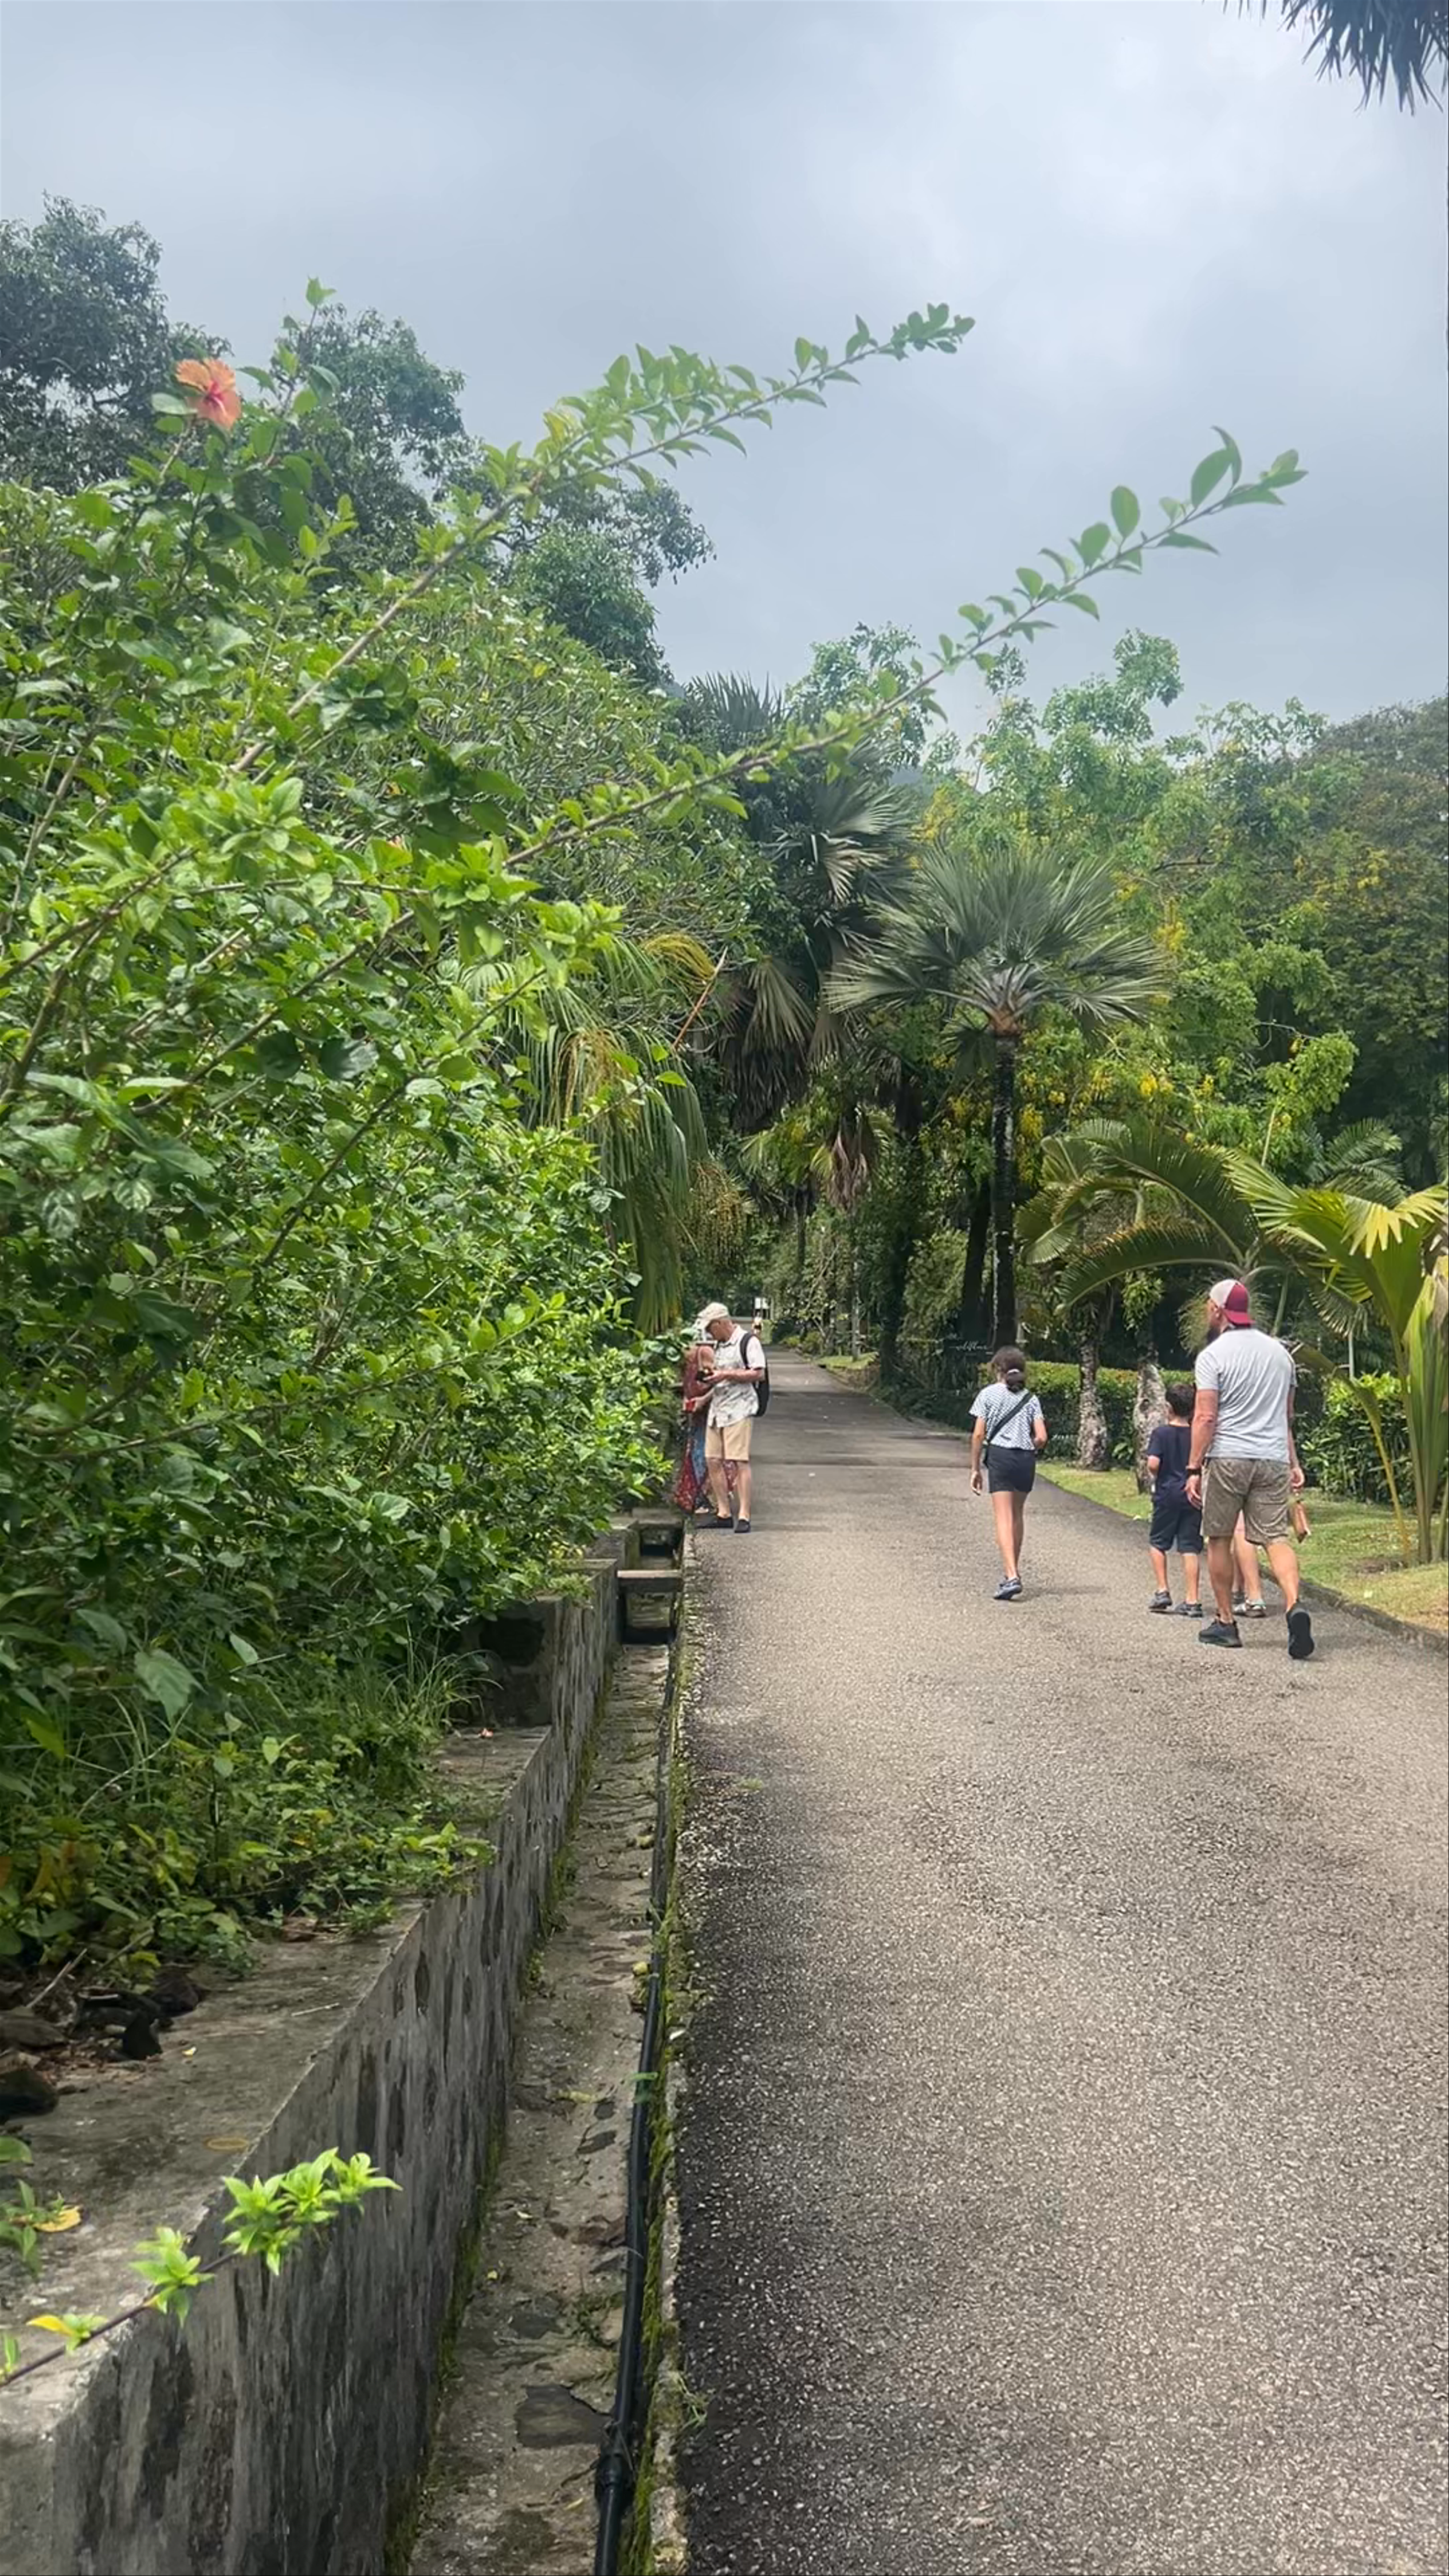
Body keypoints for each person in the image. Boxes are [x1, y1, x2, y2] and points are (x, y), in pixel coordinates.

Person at [1185, 1278, 1314, 1659]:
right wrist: (1294, 1462)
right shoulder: (1281, 1355)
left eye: (1210, 1304)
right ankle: (1294, 1605)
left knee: (1220, 1537)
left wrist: (1193, 1467)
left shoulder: (1213, 1356)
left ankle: (1226, 1622)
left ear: (1219, 1310)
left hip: (1228, 1457)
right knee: (1276, 1538)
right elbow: (1286, 1417)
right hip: (1272, 1457)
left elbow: (1206, 1416)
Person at [970, 1347, 1049, 1601]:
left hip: (1001, 1456)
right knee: (1017, 1515)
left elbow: (979, 1435)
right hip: (1025, 1459)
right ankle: (1012, 1571)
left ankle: (1012, 1576)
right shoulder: (1031, 1398)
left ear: (999, 1370)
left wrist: (975, 1468)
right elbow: (1042, 1437)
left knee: (1003, 1517)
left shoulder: (988, 1395)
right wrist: (1028, 1446)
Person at [701, 1303, 766, 1535]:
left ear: (720, 1323)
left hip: (740, 1409)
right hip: (718, 1410)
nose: (709, 1334)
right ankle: (724, 1512)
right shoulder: (718, 1345)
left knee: (739, 1461)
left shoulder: (748, 1342)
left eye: (711, 1328)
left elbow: (758, 1372)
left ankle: (745, 1515)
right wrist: (708, 1390)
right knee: (713, 1460)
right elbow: (722, 1379)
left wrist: (726, 1374)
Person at [1146, 1382, 1204, 1616]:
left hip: (1167, 1495)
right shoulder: (1197, 1435)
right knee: (1189, 1547)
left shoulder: (1161, 1434)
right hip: (1193, 1496)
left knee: (1158, 1543)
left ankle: (1163, 1590)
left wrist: (1154, 1473)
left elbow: (1153, 1464)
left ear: (1168, 1407)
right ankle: (1193, 1600)